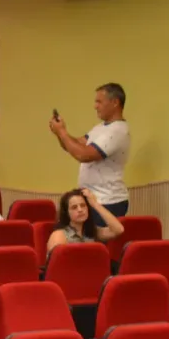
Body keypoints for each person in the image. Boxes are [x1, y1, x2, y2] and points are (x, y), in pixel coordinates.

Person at [51, 82, 130, 216]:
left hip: (107, 201)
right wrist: (60, 133)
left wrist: (62, 132)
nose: (95, 106)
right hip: (92, 199)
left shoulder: (117, 130)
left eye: (99, 102)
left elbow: (84, 155)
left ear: (115, 102)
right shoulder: (100, 128)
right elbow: (74, 145)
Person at [47, 187, 126, 252]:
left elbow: (118, 230)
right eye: (74, 207)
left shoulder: (93, 232)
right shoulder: (59, 235)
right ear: (67, 213)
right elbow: (55, 266)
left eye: (83, 205)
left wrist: (95, 204)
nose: (80, 210)